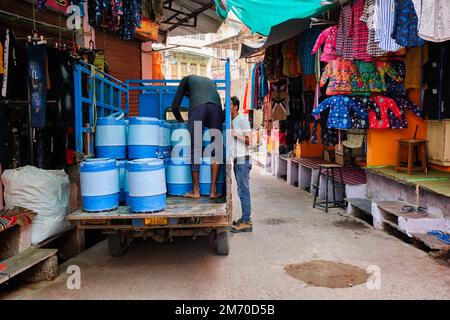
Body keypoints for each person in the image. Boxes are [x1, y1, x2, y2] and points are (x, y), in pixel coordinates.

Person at [171, 75, 223, 199]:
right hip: (216, 108)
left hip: (198, 108)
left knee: (196, 148)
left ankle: (196, 191)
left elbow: (174, 106)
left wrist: (181, 120)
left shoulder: (185, 79)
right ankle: (213, 191)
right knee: (216, 149)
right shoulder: (210, 81)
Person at [230, 96, 253, 233]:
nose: (228, 107)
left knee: (244, 191)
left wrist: (235, 134)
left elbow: (249, 140)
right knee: (241, 191)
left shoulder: (242, 120)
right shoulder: (231, 121)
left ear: (236, 107)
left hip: (243, 160)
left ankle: (246, 222)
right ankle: (244, 219)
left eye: (230, 105)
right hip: (236, 160)